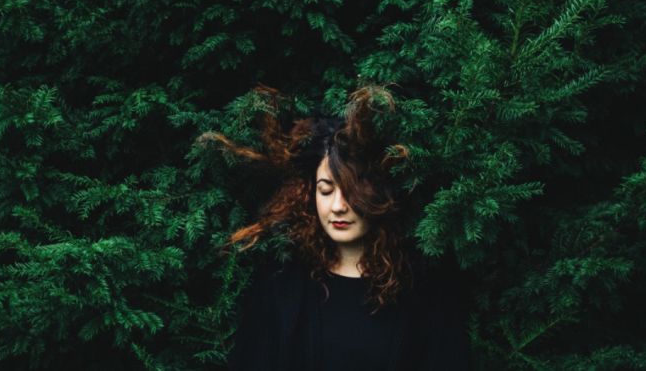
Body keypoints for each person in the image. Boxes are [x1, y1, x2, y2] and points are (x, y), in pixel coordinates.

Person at [200, 84, 470, 371]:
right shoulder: (280, 283)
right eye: (326, 190)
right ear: (310, 194)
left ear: (378, 193)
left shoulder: (423, 287)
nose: (338, 205)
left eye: (351, 191)